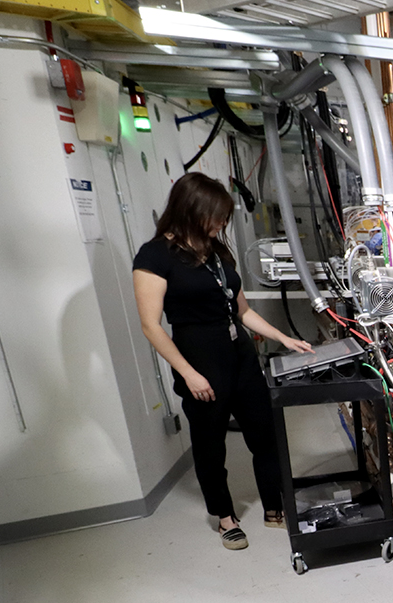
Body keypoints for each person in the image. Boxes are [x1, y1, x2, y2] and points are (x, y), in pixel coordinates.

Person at [133, 172, 313, 550]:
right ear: (192, 210)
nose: (223, 224)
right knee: (211, 446)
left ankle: (274, 506)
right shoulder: (154, 256)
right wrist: (188, 374)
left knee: (264, 434)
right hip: (200, 361)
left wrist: (283, 337)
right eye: (218, 216)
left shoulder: (217, 252)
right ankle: (225, 516)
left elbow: (242, 310)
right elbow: (151, 326)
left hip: (240, 356)